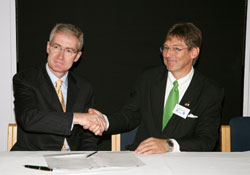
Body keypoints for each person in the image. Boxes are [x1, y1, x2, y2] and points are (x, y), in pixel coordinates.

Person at [90, 22, 224, 154]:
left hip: (184, 162)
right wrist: (105, 121)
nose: (168, 54)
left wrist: (169, 145)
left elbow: (207, 140)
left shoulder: (210, 91)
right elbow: (130, 115)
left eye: (176, 49)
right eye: (166, 48)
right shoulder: (148, 78)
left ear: (194, 52)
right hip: (145, 158)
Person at [12, 23, 106, 151]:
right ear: (48, 47)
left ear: (77, 56)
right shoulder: (25, 79)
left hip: (73, 160)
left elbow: (88, 136)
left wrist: (86, 157)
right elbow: (28, 118)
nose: (60, 56)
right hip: (34, 158)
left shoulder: (84, 87)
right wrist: (77, 118)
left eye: (68, 50)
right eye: (57, 47)